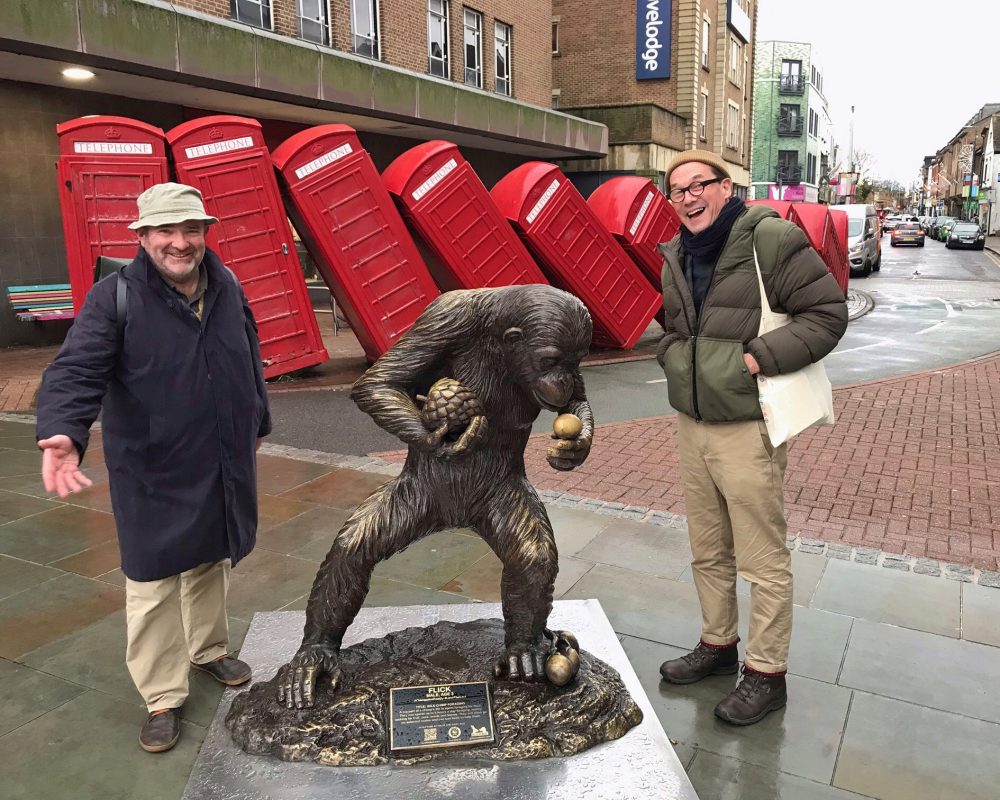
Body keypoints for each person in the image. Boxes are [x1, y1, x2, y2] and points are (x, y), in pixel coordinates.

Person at [36, 183, 272, 752]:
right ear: (142, 237)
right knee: (153, 578)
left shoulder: (228, 284)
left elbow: (248, 351)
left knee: (210, 561)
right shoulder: (113, 297)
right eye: (166, 230)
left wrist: (255, 420)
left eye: (191, 229)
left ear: (204, 234)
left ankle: (208, 650)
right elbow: (77, 368)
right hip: (152, 465)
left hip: (220, 456)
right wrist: (62, 433)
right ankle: (163, 694)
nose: (180, 242)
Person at [655, 151, 847, 725]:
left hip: (748, 425)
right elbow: (670, 326)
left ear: (725, 187)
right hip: (692, 423)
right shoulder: (675, 254)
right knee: (707, 548)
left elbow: (827, 314)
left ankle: (766, 674)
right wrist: (670, 357)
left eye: (698, 186)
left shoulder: (769, 238)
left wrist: (756, 359)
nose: (687, 198)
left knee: (762, 557)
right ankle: (718, 646)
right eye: (676, 190)